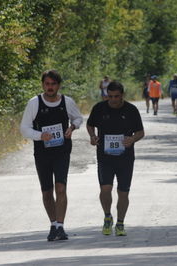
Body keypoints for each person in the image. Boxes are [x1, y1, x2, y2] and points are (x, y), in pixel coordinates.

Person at [20, 70, 83, 241]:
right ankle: (53, 224)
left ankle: (61, 226)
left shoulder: (67, 102)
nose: (50, 87)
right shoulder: (34, 103)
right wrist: (40, 135)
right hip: (42, 152)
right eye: (47, 84)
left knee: (61, 187)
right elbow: (24, 128)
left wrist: (72, 128)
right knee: (47, 192)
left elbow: (78, 118)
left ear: (58, 85)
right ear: (43, 85)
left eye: (53, 84)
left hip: (62, 150)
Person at [87, 81, 144, 237]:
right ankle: (107, 216)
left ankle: (120, 223)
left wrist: (132, 139)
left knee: (123, 192)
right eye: (110, 96)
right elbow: (90, 124)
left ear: (122, 95)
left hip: (125, 158)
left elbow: (140, 132)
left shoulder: (131, 110)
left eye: (116, 96)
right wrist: (92, 136)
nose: (112, 100)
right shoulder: (99, 108)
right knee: (105, 189)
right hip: (105, 157)